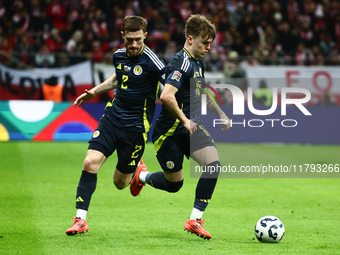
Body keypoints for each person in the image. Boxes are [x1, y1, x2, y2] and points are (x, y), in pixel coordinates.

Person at [130, 14, 231, 240]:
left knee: (213, 164)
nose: (208, 47)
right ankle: (142, 176)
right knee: (174, 185)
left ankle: (195, 219)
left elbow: (201, 93)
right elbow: (166, 96)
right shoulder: (180, 62)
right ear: (189, 38)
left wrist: (221, 114)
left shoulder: (197, 63)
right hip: (169, 134)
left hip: (191, 128)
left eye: (210, 43)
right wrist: (184, 121)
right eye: (204, 43)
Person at [65, 16, 165, 235]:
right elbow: (117, 79)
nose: (134, 44)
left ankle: (138, 174)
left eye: (138, 39)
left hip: (136, 129)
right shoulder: (118, 56)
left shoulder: (154, 63)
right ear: (123, 36)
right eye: (130, 39)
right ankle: (80, 220)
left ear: (145, 36)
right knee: (90, 162)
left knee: (120, 183)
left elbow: (170, 87)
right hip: (112, 118)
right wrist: (94, 91)